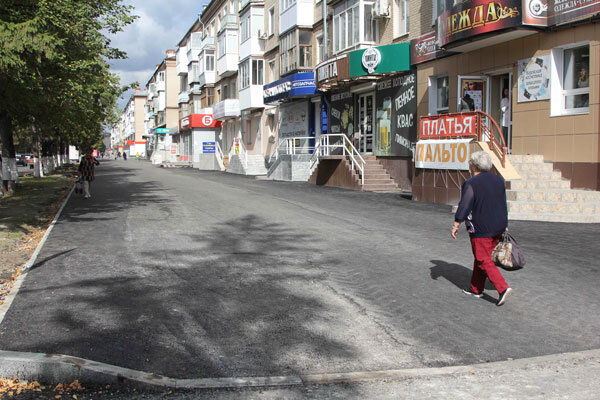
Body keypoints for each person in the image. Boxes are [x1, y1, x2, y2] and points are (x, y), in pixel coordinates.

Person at [451, 151, 512, 306]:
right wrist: (505, 223)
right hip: (498, 225)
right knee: (482, 256)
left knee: (482, 258)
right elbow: (503, 203)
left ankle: (502, 287)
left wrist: (457, 223)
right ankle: (475, 289)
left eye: (470, 162)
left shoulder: (471, 183)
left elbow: (465, 204)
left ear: (474, 165)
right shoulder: (499, 181)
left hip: (481, 227)